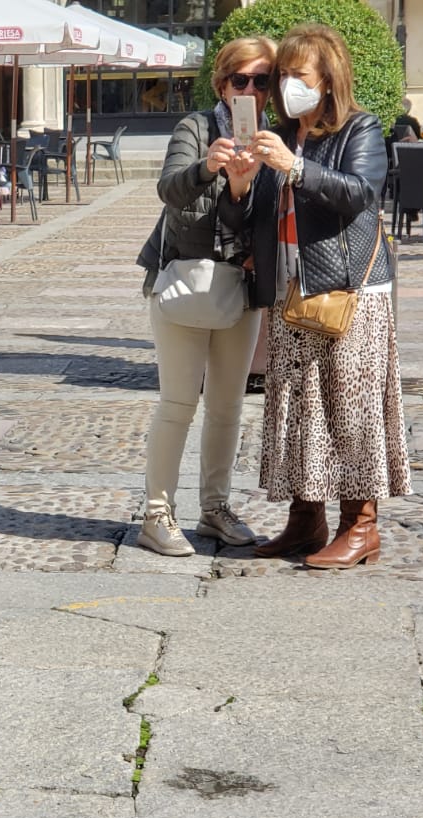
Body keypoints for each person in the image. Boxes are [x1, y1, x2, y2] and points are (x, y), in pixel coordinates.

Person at [217, 23, 411, 568]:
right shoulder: (277, 132)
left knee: (350, 409)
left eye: (297, 75)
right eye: (282, 76)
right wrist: (239, 182)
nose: (285, 86)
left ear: (328, 79)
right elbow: (248, 214)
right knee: (300, 408)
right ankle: (306, 521)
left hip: (347, 290)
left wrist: (295, 167)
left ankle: (361, 525)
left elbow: (360, 194)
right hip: (288, 289)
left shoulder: (360, 129)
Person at [131, 36, 276, 557]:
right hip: (184, 280)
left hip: (240, 287)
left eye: (263, 81)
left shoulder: (272, 141)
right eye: (242, 80)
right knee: (177, 404)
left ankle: (215, 509)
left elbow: (264, 221)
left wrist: (243, 189)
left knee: (228, 407)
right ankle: (156, 515)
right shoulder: (195, 128)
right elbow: (169, 190)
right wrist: (208, 167)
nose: (252, 91)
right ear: (222, 83)